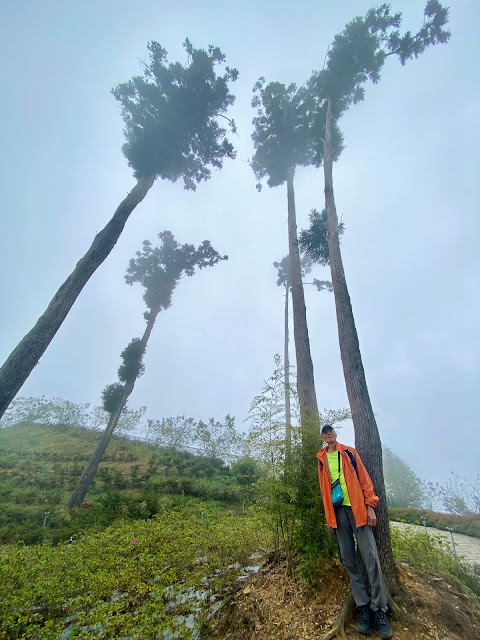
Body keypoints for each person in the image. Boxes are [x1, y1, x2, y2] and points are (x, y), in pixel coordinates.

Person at [317, 424, 393, 639]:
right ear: (322, 437)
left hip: (358, 510)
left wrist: (370, 507)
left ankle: (380, 609)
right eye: (325, 432)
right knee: (349, 560)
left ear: (335, 434)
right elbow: (324, 490)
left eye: (331, 431)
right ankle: (363, 607)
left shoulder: (349, 453)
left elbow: (365, 480)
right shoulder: (321, 460)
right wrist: (329, 518)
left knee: (371, 558)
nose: (329, 433)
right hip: (338, 514)